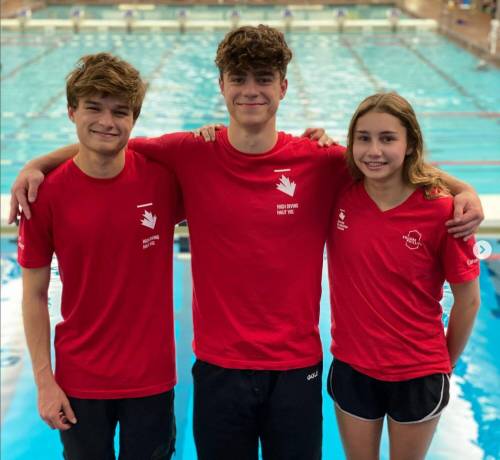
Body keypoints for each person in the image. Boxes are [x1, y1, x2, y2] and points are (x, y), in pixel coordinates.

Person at [10, 26, 483, 460]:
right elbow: (110, 139)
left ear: (283, 87)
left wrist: (464, 190)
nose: (251, 90)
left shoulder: (319, 161)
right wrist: (38, 163)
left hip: (297, 367)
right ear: (222, 85)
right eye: (239, 78)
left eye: (264, 78)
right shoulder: (190, 152)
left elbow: (393, 163)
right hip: (219, 367)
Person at [18, 53, 181, 459]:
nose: (107, 122)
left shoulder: (164, 179)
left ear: (134, 120)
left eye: (120, 112)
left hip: (151, 379)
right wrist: (44, 381)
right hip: (79, 380)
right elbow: (35, 295)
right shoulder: (45, 194)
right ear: (72, 111)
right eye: (94, 107)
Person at [325, 92, 481, 460]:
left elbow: (469, 300)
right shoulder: (340, 191)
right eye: (363, 138)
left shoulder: (443, 210)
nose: (373, 150)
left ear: (410, 144)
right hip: (353, 365)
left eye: (388, 138)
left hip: (418, 371)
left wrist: (446, 363)